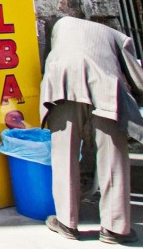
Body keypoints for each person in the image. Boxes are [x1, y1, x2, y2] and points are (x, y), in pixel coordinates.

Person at [40, 15, 143, 244]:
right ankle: (115, 228)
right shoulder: (118, 37)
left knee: (63, 153)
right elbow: (138, 79)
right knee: (113, 156)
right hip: (104, 85)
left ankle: (66, 222)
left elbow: (47, 58)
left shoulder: (58, 26)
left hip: (62, 82)